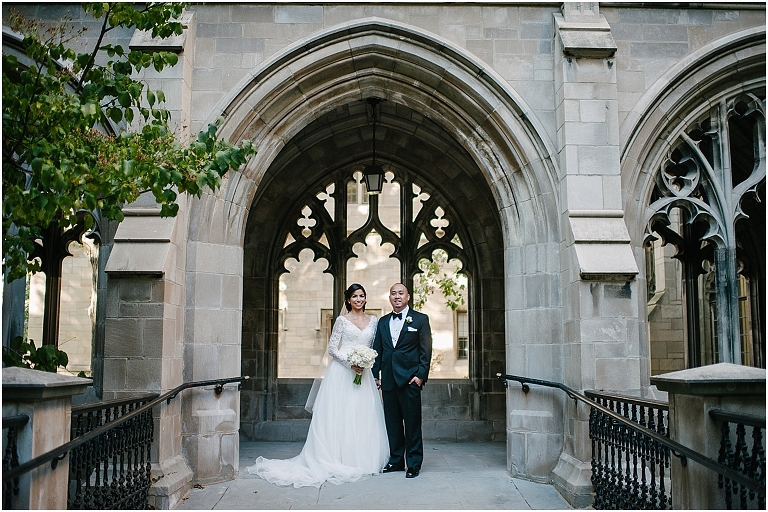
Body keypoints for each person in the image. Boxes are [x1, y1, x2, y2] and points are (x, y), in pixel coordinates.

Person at [247, 284, 389, 488]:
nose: (359, 299)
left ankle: (362, 460)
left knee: (362, 414)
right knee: (340, 415)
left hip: (364, 375)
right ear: (348, 300)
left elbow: (375, 348)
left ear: (366, 299)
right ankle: (336, 458)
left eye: (362, 296)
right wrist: (351, 363)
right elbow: (332, 348)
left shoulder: (374, 321)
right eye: (354, 296)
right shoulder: (341, 320)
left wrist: (366, 363)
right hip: (342, 373)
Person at [372, 283, 432, 478]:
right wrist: (375, 375)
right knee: (393, 423)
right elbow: (378, 350)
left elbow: (426, 350)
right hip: (388, 381)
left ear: (408, 297)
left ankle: (413, 463)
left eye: (400, 293)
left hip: (410, 381)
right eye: (393, 293)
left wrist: (420, 376)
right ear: (389, 298)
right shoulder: (382, 322)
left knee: (413, 423)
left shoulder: (421, 320)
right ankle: (396, 460)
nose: (397, 296)